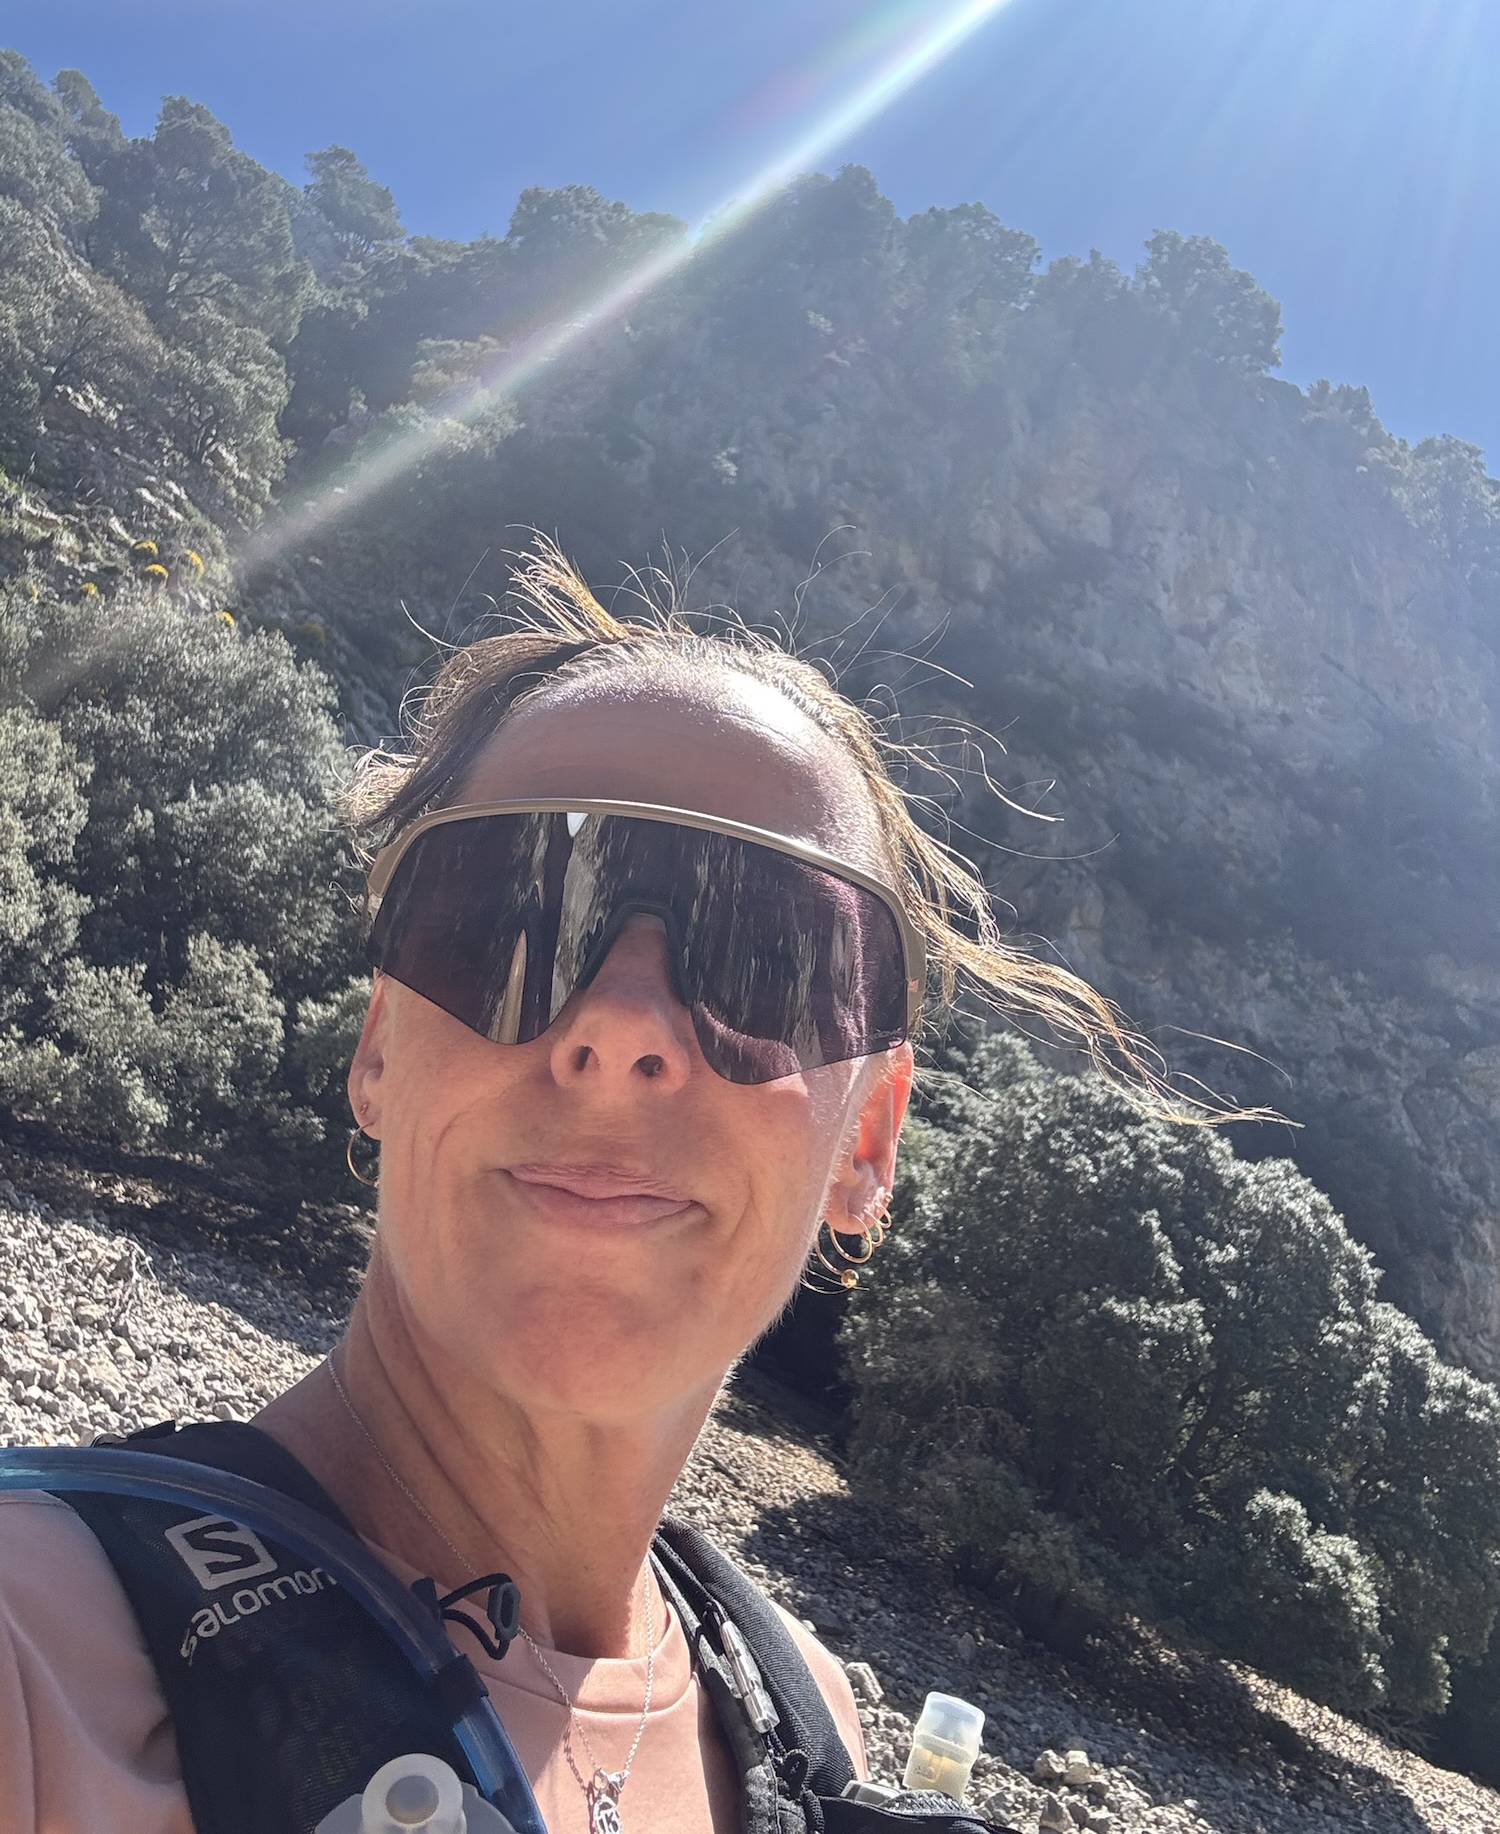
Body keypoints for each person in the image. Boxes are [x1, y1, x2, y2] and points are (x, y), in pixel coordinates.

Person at [0, 543, 1173, 1834]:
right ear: (379, 1047)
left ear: (868, 1143)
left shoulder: (807, 1727)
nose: (622, 1028)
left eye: (769, 955)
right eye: (515, 916)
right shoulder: (41, 1656)